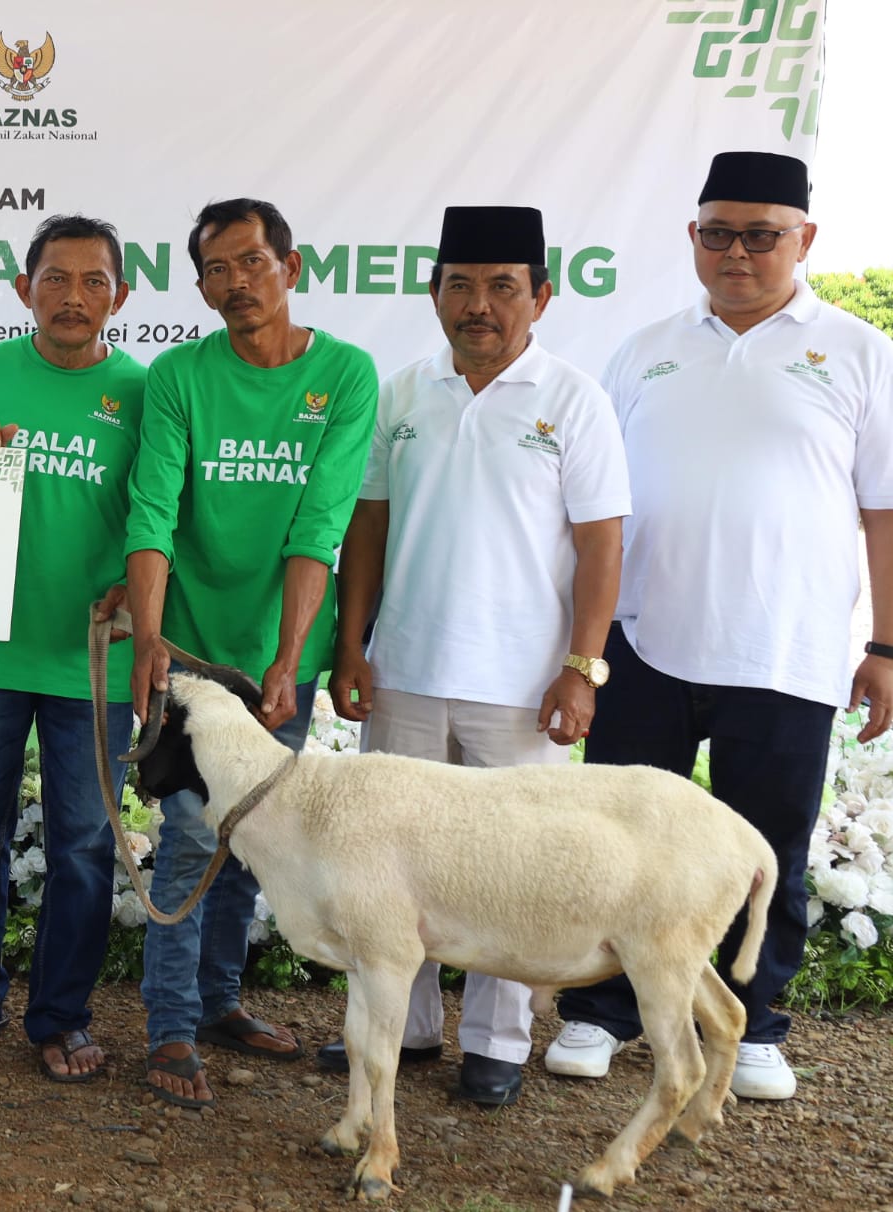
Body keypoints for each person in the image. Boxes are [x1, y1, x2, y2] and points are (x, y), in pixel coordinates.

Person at [546, 150, 893, 1101]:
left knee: (765, 846)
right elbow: (594, 507)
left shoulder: (860, 352)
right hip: (642, 642)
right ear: (693, 237)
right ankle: (601, 1011)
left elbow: (884, 510)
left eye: (761, 233)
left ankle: (754, 1024)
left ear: (805, 239)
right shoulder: (645, 346)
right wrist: (582, 643)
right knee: (622, 838)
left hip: (785, 649)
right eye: (718, 232)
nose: (737, 252)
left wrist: (887, 647)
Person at [323, 206, 630, 1106]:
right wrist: (352, 642)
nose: (480, 306)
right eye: (460, 285)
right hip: (407, 670)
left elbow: (603, 544)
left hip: (522, 686)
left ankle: (495, 1044)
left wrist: (582, 668)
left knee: (511, 870)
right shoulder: (404, 391)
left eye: (502, 287)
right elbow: (367, 526)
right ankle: (401, 1032)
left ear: (541, 296)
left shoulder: (573, 398)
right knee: (390, 863)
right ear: (433, 293)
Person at [125, 198, 379, 1108]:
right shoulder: (179, 375)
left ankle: (221, 1002)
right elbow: (153, 511)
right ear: (199, 286)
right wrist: (151, 640)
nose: (236, 284)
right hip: (187, 655)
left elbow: (322, 523)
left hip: (281, 656)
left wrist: (289, 656)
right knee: (193, 842)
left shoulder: (345, 375)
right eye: (215, 271)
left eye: (251, 263)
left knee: (258, 835)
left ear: (292, 266)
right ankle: (170, 1028)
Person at [0, 215, 144, 1081]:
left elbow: (156, 518)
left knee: (84, 845)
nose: (73, 297)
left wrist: (131, 589)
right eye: (54, 279)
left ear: (120, 295)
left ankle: (61, 1017)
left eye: (92, 281)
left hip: (94, 664)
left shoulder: (144, 390)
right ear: (22, 290)